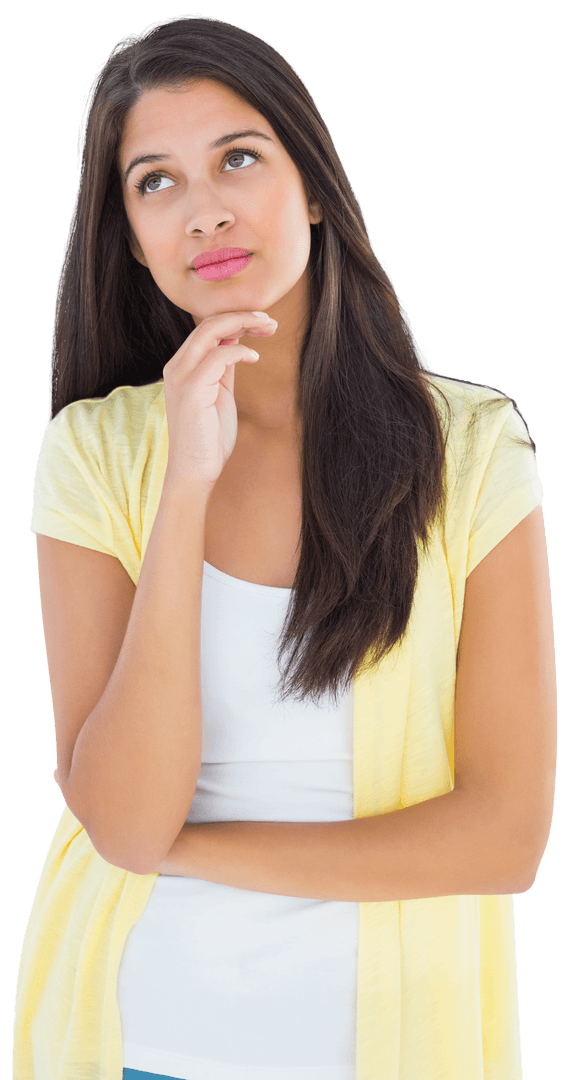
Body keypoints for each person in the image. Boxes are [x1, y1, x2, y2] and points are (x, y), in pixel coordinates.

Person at [13, 13, 557, 1080]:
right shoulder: (93, 454)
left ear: (312, 186)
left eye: (238, 158)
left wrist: (187, 853)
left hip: (385, 1052)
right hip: (137, 1042)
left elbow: (507, 838)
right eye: (154, 182)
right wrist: (186, 487)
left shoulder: (476, 449)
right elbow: (122, 813)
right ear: (128, 236)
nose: (204, 208)